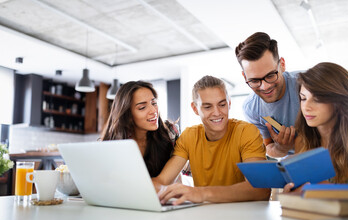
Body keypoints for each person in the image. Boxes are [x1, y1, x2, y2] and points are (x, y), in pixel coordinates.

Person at [152, 76, 271, 205]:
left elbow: (261, 189)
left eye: (222, 104)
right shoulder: (189, 136)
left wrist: (202, 193)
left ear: (229, 103)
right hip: (206, 215)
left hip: (245, 216)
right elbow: (162, 181)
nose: (217, 113)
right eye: (208, 107)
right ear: (195, 108)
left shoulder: (246, 132)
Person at [284, 62, 348, 192]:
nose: (306, 107)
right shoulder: (303, 141)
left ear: (339, 100)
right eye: (303, 98)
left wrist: (323, 190)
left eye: (317, 99)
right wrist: (290, 194)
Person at [235, 32, 299, 157]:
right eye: (254, 80)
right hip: (296, 165)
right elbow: (268, 147)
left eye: (270, 75)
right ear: (244, 76)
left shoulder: (308, 84)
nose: (265, 87)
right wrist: (282, 148)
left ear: (282, 65)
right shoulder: (251, 108)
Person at [100, 80, 178, 178]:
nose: (154, 111)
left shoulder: (169, 133)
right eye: (142, 107)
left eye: (154, 103)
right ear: (128, 115)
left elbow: (187, 168)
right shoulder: (111, 144)